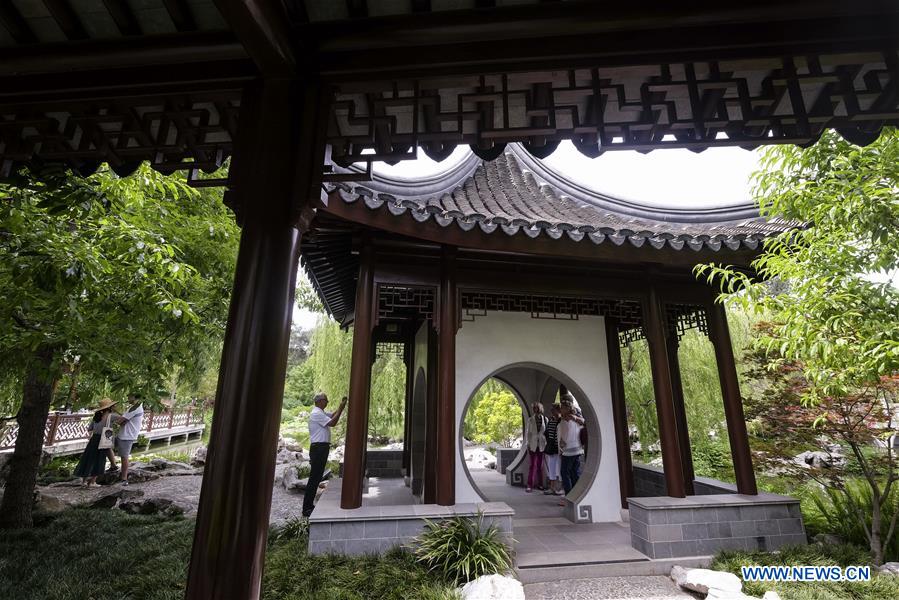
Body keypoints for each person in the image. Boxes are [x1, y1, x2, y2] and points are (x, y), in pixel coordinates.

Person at [302, 392, 347, 517]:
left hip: (321, 448)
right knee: (314, 478)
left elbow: (332, 415)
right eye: (326, 400)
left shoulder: (320, 412)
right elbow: (333, 422)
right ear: (319, 401)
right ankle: (307, 508)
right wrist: (341, 409)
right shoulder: (316, 413)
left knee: (316, 477)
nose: (327, 402)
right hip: (319, 449)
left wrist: (340, 406)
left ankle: (309, 506)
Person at [74, 398, 117, 486]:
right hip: (103, 439)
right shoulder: (111, 416)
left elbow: (90, 429)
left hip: (94, 439)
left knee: (89, 459)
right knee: (99, 460)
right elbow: (125, 419)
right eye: (113, 406)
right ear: (110, 407)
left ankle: (84, 481)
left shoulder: (97, 416)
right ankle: (93, 482)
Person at [112, 394, 144, 485]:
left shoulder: (135, 408)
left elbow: (120, 421)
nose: (128, 398)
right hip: (125, 434)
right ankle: (114, 466)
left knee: (124, 457)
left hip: (127, 435)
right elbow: (125, 418)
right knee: (109, 448)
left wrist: (116, 420)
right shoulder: (135, 407)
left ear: (135, 397)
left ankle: (124, 478)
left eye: (129, 396)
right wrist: (118, 413)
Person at [557, 401, 584, 506]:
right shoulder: (565, 420)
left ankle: (569, 496)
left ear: (568, 408)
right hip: (572, 450)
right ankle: (575, 495)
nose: (561, 409)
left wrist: (561, 445)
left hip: (570, 451)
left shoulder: (573, 419)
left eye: (563, 407)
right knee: (573, 473)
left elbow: (584, 422)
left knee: (566, 473)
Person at [525, 402, 547, 492]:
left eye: (536, 408)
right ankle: (529, 485)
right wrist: (528, 444)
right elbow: (528, 433)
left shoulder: (545, 419)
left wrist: (546, 443)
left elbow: (546, 432)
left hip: (542, 444)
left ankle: (540, 484)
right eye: (533, 408)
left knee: (540, 466)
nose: (534, 409)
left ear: (540, 408)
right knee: (532, 465)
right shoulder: (530, 420)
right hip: (533, 445)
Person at [542, 404, 563, 496]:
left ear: (558, 410)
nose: (551, 411)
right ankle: (552, 487)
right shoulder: (550, 420)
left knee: (560, 468)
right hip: (551, 447)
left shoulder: (561, 420)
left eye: (553, 409)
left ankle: (561, 488)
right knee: (551, 468)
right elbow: (547, 433)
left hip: (558, 448)